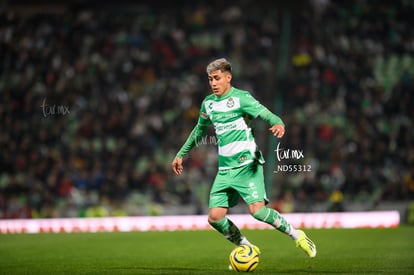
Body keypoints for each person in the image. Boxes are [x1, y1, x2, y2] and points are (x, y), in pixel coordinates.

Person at [172, 58, 316, 258]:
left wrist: (279, 123)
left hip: (247, 164)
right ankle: (247, 246)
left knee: (257, 211)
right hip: (225, 170)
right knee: (214, 218)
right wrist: (181, 154)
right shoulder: (209, 104)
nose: (213, 83)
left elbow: (267, 114)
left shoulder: (242, 98)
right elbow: (199, 131)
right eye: (210, 79)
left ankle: (297, 235)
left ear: (228, 77)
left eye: (217, 78)